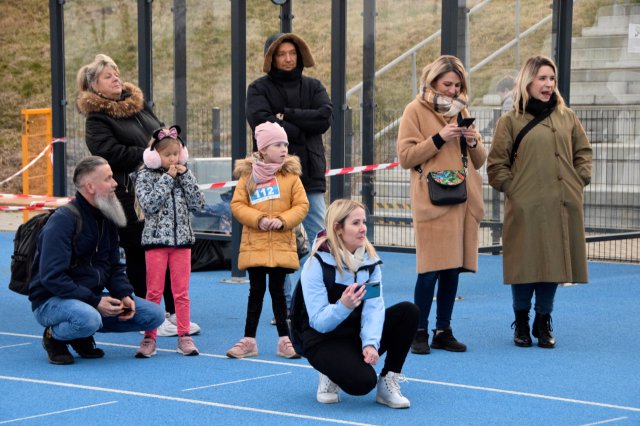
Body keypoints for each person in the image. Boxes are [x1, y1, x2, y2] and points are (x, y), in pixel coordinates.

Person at [76, 53, 199, 337]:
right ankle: (147, 313)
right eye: (108, 76)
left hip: (165, 191)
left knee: (169, 249)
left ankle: (172, 313)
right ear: (95, 86)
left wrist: (170, 154)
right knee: (140, 254)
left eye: (116, 72)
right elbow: (108, 153)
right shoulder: (97, 120)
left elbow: (164, 138)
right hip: (129, 195)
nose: (116, 78)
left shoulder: (139, 107)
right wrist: (151, 157)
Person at [487, 55, 592, 349]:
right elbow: (496, 165)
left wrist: (579, 179)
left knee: (553, 265)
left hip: (561, 203)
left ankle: (543, 321)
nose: (548, 84)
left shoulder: (567, 116)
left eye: (552, 79)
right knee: (525, 265)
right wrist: (514, 191)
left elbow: (583, 151)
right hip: (525, 205)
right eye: (542, 78)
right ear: (527, 81)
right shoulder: (509, 120)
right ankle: (521, 321)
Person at [28, 156, 166, 365]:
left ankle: (80, 333)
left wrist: (124, 293)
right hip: (51, 300)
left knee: (154, 315)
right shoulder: (63, 221)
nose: (115, 184)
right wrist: (94, 302)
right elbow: (52, 277)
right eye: (108, 178)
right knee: (88, 318)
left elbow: (114, 265)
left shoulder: (106, 216)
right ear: (91, 186)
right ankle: (54, 337)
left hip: (89, 298)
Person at [396, 55, 486, 355]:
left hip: (462, 198)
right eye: (447, 84)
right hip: (432, 199)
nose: (452, 90)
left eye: (457, 85)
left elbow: (480, 160)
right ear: (432, 82)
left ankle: (443, 330)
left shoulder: (462, 110)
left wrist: (472, 140)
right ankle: (417, 330)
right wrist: (439, 137)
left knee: (452, 269)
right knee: (430, 269)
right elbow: (406, 157)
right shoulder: (415, 110)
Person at [300, 199, 418, 408]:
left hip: (352, 333)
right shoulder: (315, 265)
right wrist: (343, 306)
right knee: (362, 384)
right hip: (322, 339)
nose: (363, 228)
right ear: (338, 228)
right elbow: (318, 322)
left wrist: (370, 343)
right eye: (355, 223)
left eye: (364, 222)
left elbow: (374, 309)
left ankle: (388, 381)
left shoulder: (370, 264)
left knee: (408, 312)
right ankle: (328, 372)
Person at [246, 32, 333, 309]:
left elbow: (324, 118)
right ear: (271, 57)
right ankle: (283, 305)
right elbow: (261, 122)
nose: (287, 58)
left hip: (311, 174)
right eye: (281, 53)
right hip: (273, 176)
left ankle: (315, 299)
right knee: (278, 241)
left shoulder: (314, 85)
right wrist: (300, 128)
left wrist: (287, 115)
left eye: (292, 53)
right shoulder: (258, 89)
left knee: (321, 238)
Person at [226, 121, 309, 359]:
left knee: (278, 292)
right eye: (277, 144)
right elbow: (237, 205)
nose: (284, 149)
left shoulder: (291, 176)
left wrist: (283, 220)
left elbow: (302, 205)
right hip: (255, 245)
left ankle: (285, 340)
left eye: (285, 144)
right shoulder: (248, 175)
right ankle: (249, 340)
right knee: (256, 291)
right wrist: (258, 219)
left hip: (281, 245)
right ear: (263, 149)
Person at [133, 126, 205, 357]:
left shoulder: (184, 174)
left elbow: (198, 204)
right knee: (153, 292)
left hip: (182, 242)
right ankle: (149, 337)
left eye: (176, 154)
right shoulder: (144, 176)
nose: (173, 159)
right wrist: (167, 179)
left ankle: (184, 335)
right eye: (167, 155)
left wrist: (185, 178)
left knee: (181, 292)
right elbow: (150, 205)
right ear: (155, 157)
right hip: (156, 243)